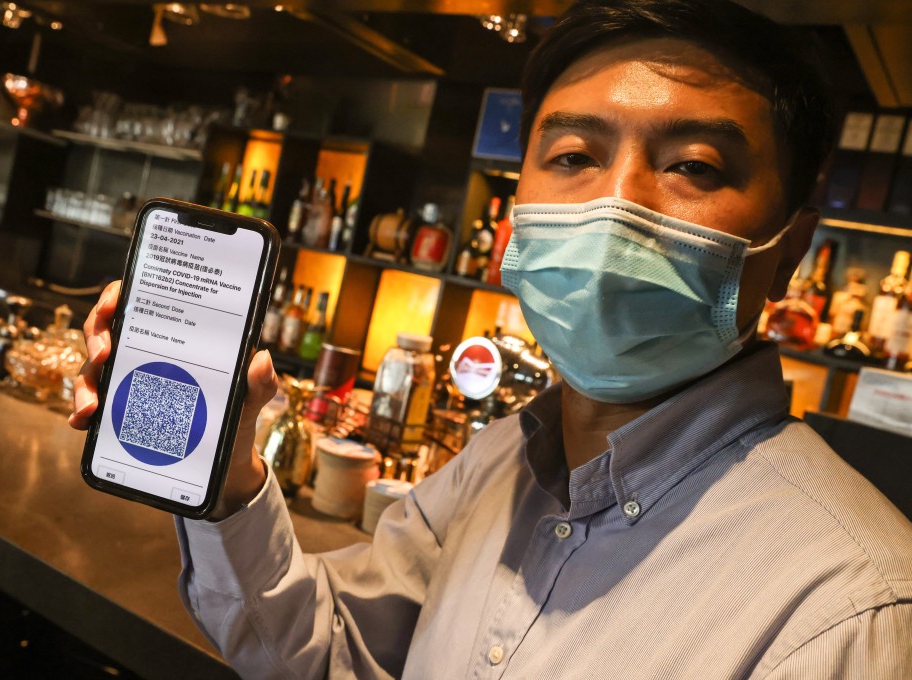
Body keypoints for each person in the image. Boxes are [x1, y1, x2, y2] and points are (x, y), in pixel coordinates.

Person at [70, 0, 912, 677]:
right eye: (575, 154)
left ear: (791, 250)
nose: (612, 207)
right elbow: (330, 654)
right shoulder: (503, 461)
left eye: (693, 165)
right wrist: (228, 479)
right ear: (518, 212)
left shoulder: (855, 612)